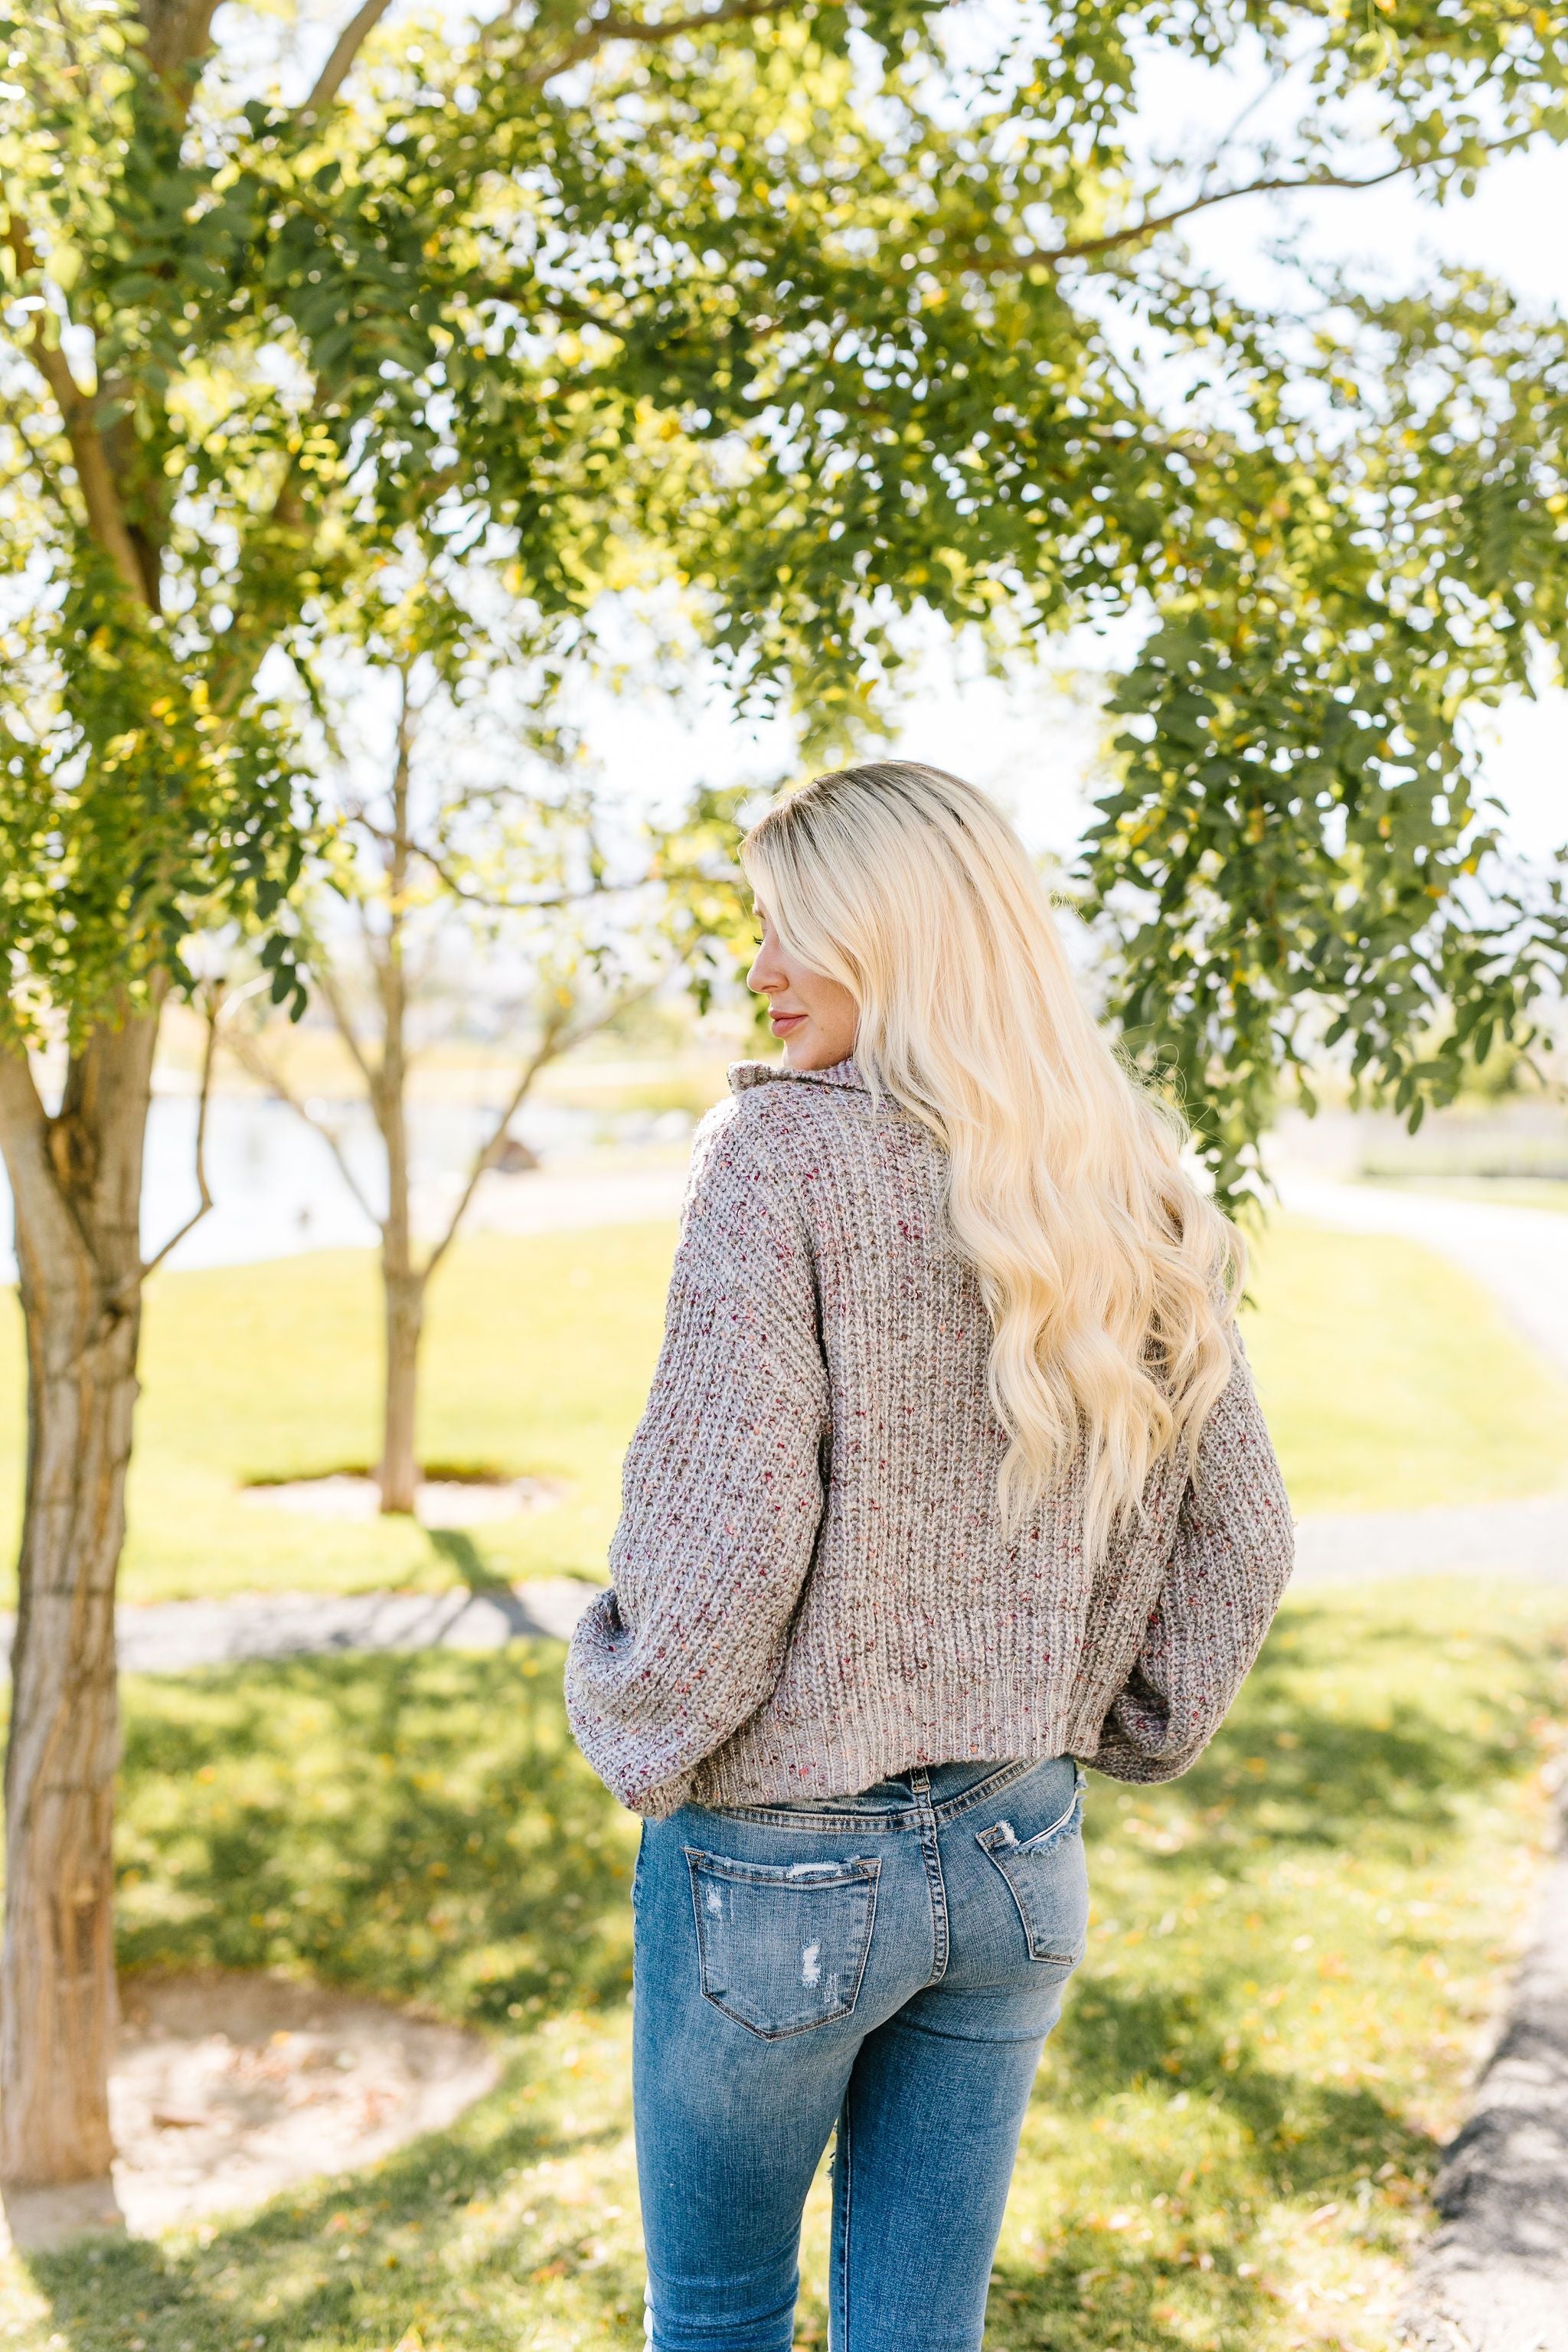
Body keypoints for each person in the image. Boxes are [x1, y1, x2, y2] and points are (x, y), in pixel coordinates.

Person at [566, 761, 1293, 2352]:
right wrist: (1111, 1723)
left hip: (778, 1868)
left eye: (792, 928)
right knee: (919, 2332)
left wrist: (628, 1716)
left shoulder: (777, 1156)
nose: (758, 966)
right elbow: (1243, 1536)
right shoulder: (1122, 1172)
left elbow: (725, 1540)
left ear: (896, 934)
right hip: (1018, 1848)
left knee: (720, 2317)